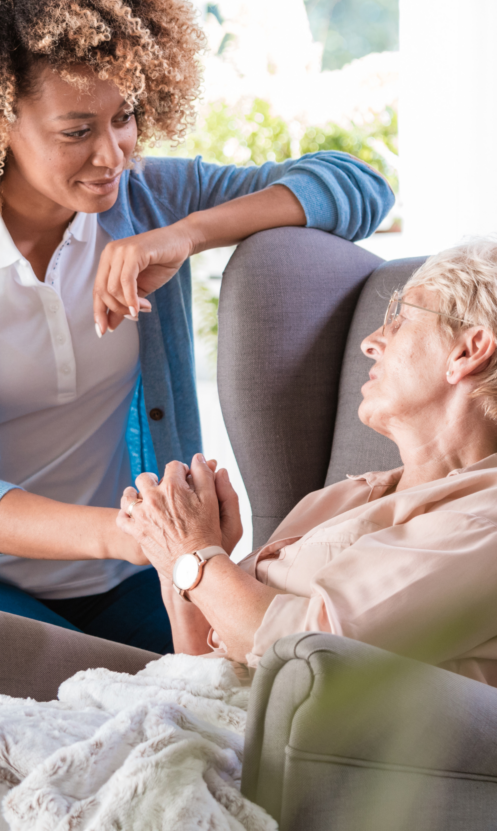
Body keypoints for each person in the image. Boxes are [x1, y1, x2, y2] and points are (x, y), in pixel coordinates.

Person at [0, 0, 393, 653]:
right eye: (77, 130)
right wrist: (146, 536)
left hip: (131, 575)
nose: (112, 155)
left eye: (125, 117)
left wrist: (187, 234)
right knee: (107, 699)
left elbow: (356, 186)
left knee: (270, 674)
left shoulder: (147, 201)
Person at [120, 239, 497, 685]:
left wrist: (194, 556)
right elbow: (200, 668)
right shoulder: (341, 497)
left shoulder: (483, 520)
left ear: (468, 351)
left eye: (399, 320)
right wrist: (178, 561)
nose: (372, 342)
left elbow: (312, 658)